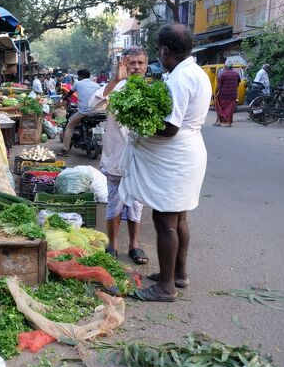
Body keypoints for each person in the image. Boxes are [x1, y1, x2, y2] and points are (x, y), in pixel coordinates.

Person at [120, 24, 212, 302]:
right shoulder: (195, 72)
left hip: (177, 156)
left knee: (165, 220)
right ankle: (178, 275)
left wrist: (139, 126)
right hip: (188, 153)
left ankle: (166, 287)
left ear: (165, 51)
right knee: (179, 217)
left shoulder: (180, 80)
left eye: (158, 50)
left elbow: (170, 127)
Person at [88, 47, 148, 265]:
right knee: (114, 202)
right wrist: (114, 80)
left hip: (140, 159)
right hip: (115, 155)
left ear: (146, 65)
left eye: (140, 63)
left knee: (136, 204)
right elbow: (93, 105)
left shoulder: (150, 90)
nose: (136, 67)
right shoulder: (114, 88)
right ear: (123, 65)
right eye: (131, 63)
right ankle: (112, 245)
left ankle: (134, 245)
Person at [58, 69, 100, 155]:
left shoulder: (78, 83)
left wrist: (64, 98)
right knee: (98, 127)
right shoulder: (97, 85)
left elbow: (70, 93)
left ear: (81, 76)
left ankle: (65, 149)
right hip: (96, 112)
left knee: (69, 127)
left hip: (83, 112)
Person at [214, 60, 241, 127]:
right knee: (230, 109)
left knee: (219, 107)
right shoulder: (236, 74)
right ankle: (228, 123)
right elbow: (238, 83)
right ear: (232, 66)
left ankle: (218, 122)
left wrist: (215, 93)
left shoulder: (222, 74)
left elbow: (218, 86)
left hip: (222, 94)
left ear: (225, 66)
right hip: (233, 94)